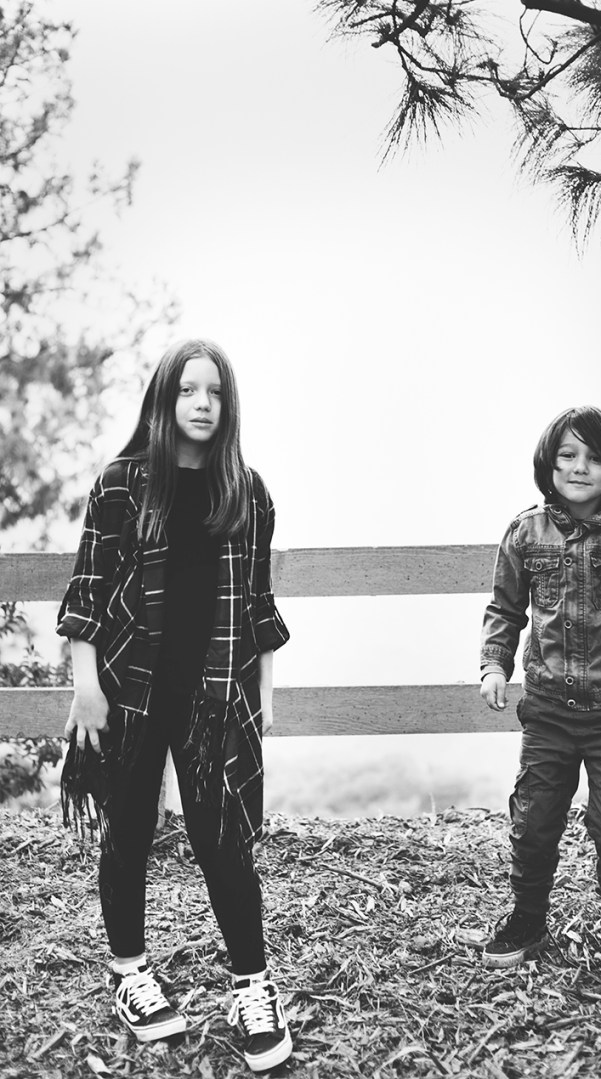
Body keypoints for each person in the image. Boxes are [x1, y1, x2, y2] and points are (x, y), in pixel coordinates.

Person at [57, 339, 293, 1072]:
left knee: (222, 839)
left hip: (214, 695)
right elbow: (88, 592)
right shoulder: (124, 483)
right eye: (187, 390)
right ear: (163, 400)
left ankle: (252, 986)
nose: (200, 402)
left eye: (214, 392)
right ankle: (130, 970)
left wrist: (266, 695)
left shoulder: (246, 491)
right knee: (127, 830)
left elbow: (257, 604)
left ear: (228, 405)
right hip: (128, 693)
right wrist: (86, 684)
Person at [477, 405, 601, 998]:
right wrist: (494, 664)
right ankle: (529, 917)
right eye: (567, 454)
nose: (579, 467)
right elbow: (505, 610)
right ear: (548, 462)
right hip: (547, 713)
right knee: (535, 821)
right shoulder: (525, 533)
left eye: (593, 457)